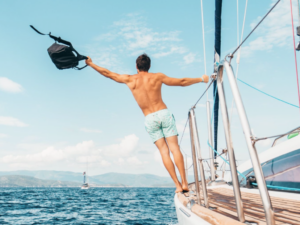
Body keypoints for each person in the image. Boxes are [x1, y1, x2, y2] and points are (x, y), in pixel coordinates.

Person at [85, 54, 209, 193]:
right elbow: (181, 81)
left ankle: (178, 186)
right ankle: (185, 183)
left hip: (150, 118)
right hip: (163, 113)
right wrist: (200, 79)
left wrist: (91, 64)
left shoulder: (130, 79)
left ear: (136, 67)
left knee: (164, 151)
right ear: (149, 66)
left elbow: (108, 73)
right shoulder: (157, 77)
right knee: (175, 148)